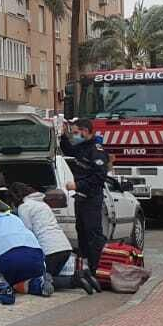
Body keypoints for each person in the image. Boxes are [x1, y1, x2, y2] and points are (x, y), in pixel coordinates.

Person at [59, 118, 110, 291]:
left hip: (91, 199)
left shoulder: (97, 151)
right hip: (80, 199)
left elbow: (99, 177)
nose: (74, 136)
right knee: (82, 236)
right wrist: (63, 135)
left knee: (93, 237)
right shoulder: (82, 148)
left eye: (76, 133)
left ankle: (97, 273)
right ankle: (85, 271)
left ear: (85, 131)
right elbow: (69, 149)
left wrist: (78, 185)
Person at [13, 183, 85, 295]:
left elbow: (28, 233)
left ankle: (76, 281)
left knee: (37, 281)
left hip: (49, 251)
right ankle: (84, 276)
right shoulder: (42, 204)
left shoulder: (24, 207)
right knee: (49, 277)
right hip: (65, 247)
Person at [0, 209, 46, 293]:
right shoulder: (16, 218)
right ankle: (38, 284)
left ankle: (2, 284)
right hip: (35, 256)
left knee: (1, 279)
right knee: (25, 276)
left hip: (6, 259)